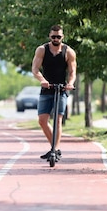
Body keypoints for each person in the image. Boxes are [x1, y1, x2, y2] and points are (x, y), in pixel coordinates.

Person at [31, 25, 77, 161]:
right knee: (42, 120)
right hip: (46, 88)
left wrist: (70, 83)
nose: (56, 39)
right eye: (53, 37)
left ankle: (53, 150)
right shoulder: (42, 50)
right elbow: (35, 69)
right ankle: (55, 149)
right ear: (49, 36)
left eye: (59, 37)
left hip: (61, 89)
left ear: (63, 37)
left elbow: (72, 72)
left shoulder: (69, 52)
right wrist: (42, 80)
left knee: (58, 119)